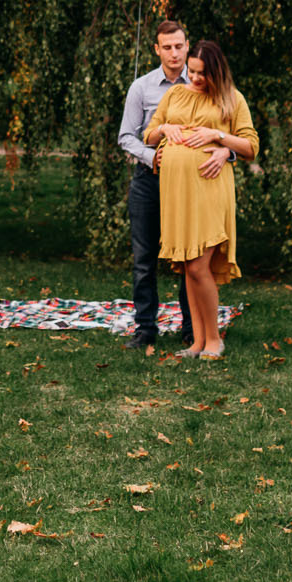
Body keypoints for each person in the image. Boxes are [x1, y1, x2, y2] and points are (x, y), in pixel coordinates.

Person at [143, 40, 256, 360]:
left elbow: (251, 146)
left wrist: (218, 138)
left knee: (199, 265)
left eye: (201, 73)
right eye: (191, 71)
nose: (194, 78)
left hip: (209, 190)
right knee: (188, 268)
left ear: (216, 72)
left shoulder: (232, 99)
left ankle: (214, 340)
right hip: (178, 193)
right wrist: (166, 128)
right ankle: (198, 342)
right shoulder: (175, 94)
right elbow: (148, 135)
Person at [115, 19, 201, 352]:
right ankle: (145, 329)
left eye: (179, 46)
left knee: (189, 256)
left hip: (189, 183)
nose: (174, 53)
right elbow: (126, 136)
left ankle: (192, 328)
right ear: (157, 50)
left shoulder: (201, 83)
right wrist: (153, 157)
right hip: (148, 181)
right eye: (167, 47)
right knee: (144, 258)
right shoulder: (142, 87)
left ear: (187, 46)